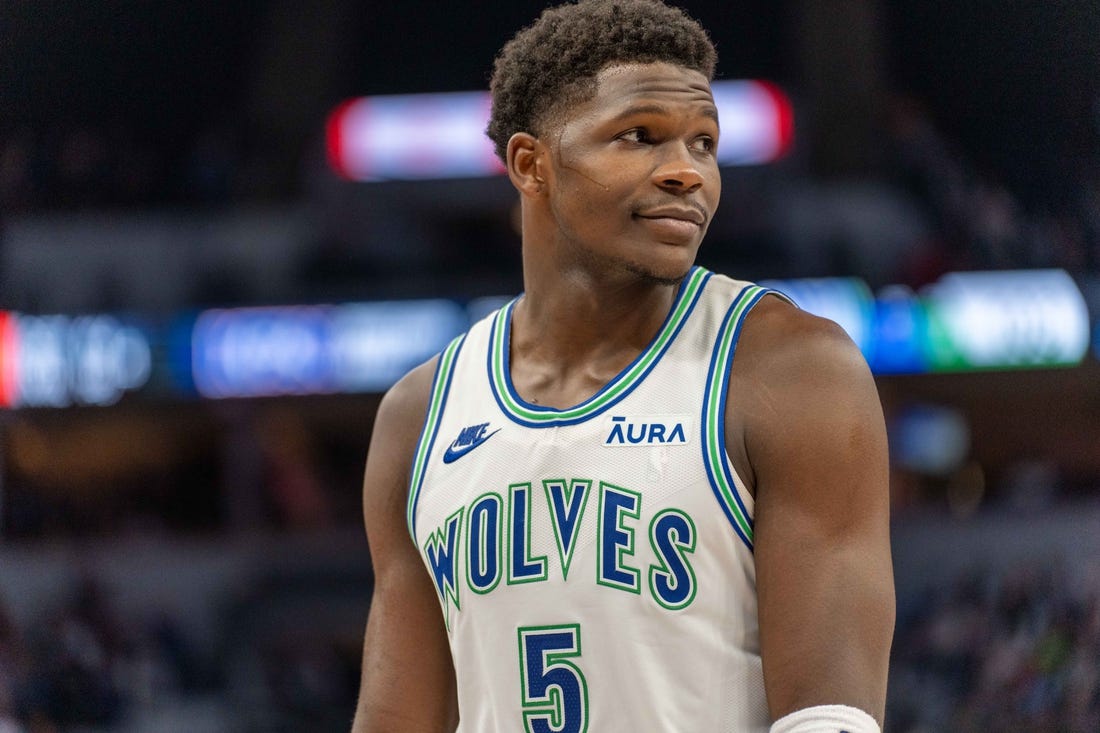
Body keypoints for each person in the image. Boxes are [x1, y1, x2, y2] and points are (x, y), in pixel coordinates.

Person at [350, 1, 894, 731]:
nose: (686, 173)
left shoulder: (790, 371)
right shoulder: (419, 416)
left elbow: (833, 717)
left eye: (704, 144)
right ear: (530, 163)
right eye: (640, 137)